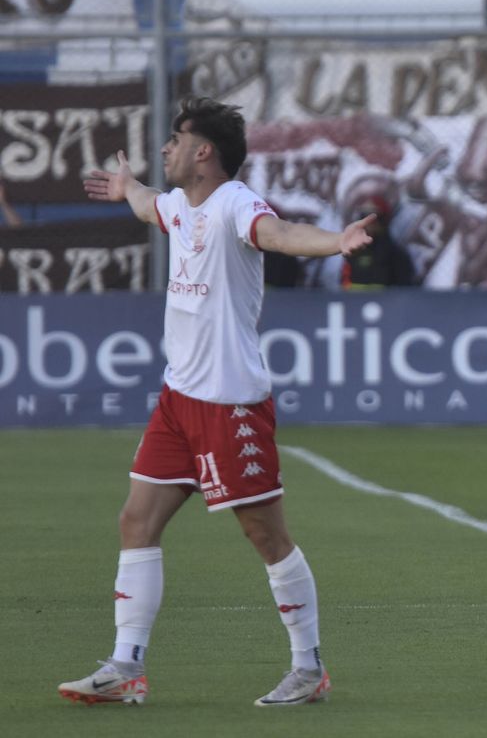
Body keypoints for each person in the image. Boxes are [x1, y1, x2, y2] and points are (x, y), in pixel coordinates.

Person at [58, 97, 375, 707]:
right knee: (135, 520)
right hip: (179, 400)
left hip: (230, 402)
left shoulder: (235, 204)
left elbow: (279, 234)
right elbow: (151, 203)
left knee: (264, 534)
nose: (166, 149)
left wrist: (337, 241)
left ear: (204, 151)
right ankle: (126, 667)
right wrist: (129, 186)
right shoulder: (181, 206)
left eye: (176, 139)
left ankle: (308, 668)